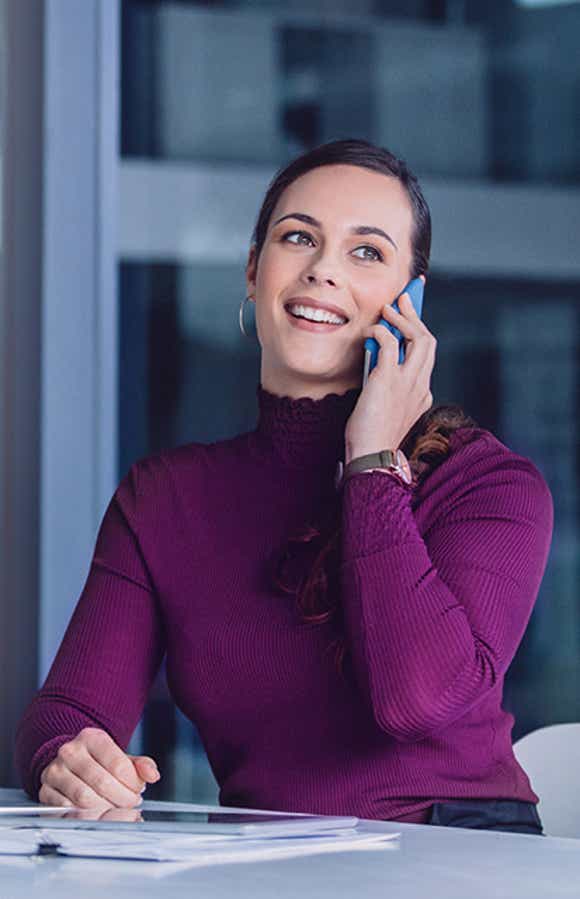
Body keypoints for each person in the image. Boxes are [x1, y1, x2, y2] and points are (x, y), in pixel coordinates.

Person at [14, 139, 552, 835]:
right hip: (268, 863)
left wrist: (371, 463)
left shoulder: (489, 486)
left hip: (460, 852)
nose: (324, 270)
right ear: (253, 270)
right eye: (298, 237)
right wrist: (66, 758)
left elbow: (413, 700)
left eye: (367, 252)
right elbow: (66, 711)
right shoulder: (165, 498)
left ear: (409, 303)